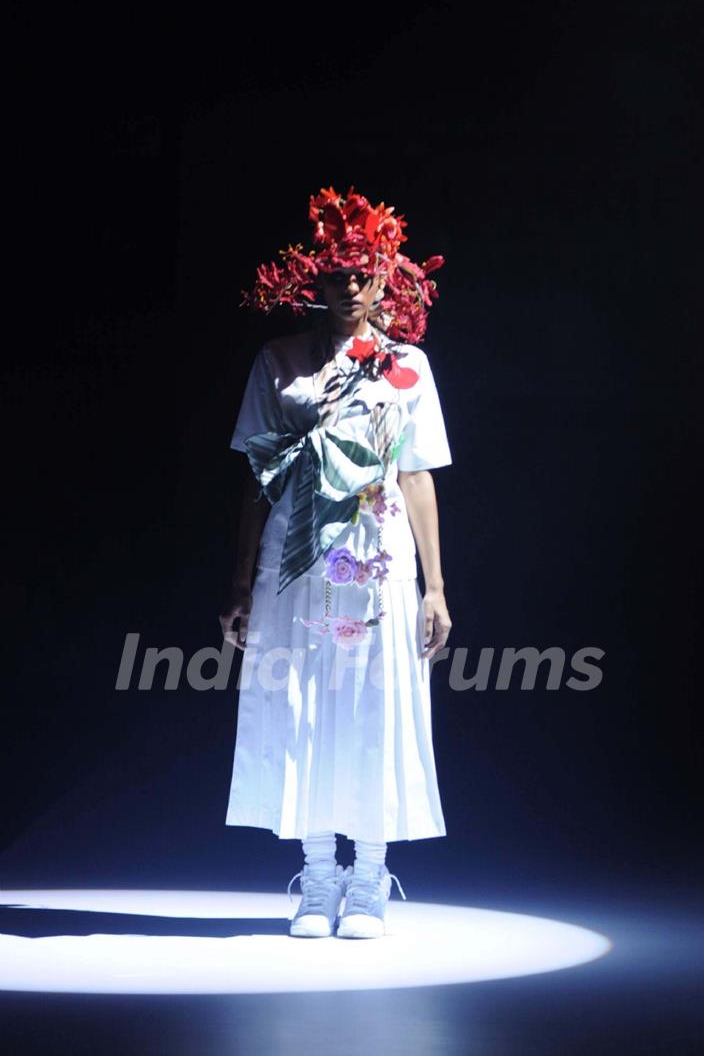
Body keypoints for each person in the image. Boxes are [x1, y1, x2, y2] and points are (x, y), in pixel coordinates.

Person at [218, 185, 453, 938]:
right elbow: (257, 479)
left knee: (374, 700)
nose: (349, 285)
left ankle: (372, 874)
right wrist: (239, 582)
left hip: (376, 558)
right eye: (336, 273)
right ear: (313, 280)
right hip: (295, 559)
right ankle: (319, 876)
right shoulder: (278, 361)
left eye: (363, 273)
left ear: (385, 279)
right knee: (300, 699)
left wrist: (437, 589)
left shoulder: (405, 366)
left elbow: (416, 475)